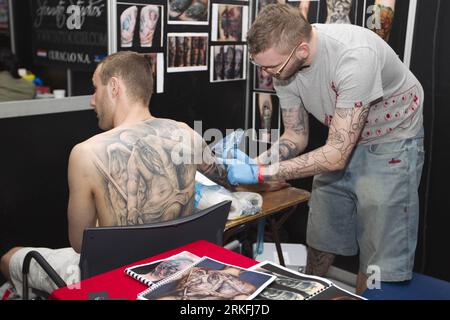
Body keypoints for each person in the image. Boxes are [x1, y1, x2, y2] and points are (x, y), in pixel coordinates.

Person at [226, 4, 424, 294]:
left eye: (272, 67)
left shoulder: (354, 58)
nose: (268, 74)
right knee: (321, 232)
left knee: (377, 255)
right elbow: (296, 135)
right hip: (341, 138)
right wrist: (258, 162)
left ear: (302, 50)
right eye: (262, 67)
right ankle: (309, 293)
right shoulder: (284, 67)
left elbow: (335, 156)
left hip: (391, 142)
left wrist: (261, 174)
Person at [0, 51, 230, 297]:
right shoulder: (188, 135)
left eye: (94, 88)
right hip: (175, 268)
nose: (92, 100)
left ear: (113, 87)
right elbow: (221, 176)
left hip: (114, 279)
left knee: (10, 257)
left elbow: (80, 244)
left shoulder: (86, 153)